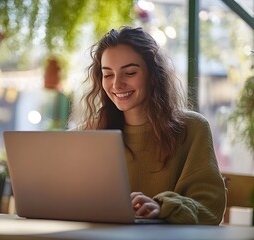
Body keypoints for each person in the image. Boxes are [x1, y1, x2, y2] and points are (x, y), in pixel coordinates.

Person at [74, 26, 226, 225]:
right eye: (108, 74)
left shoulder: (192, 128)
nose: (117, 84)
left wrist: (163, 207)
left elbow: (210, 208)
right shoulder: (88, 133)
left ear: (153, 75)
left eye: (129, 73)